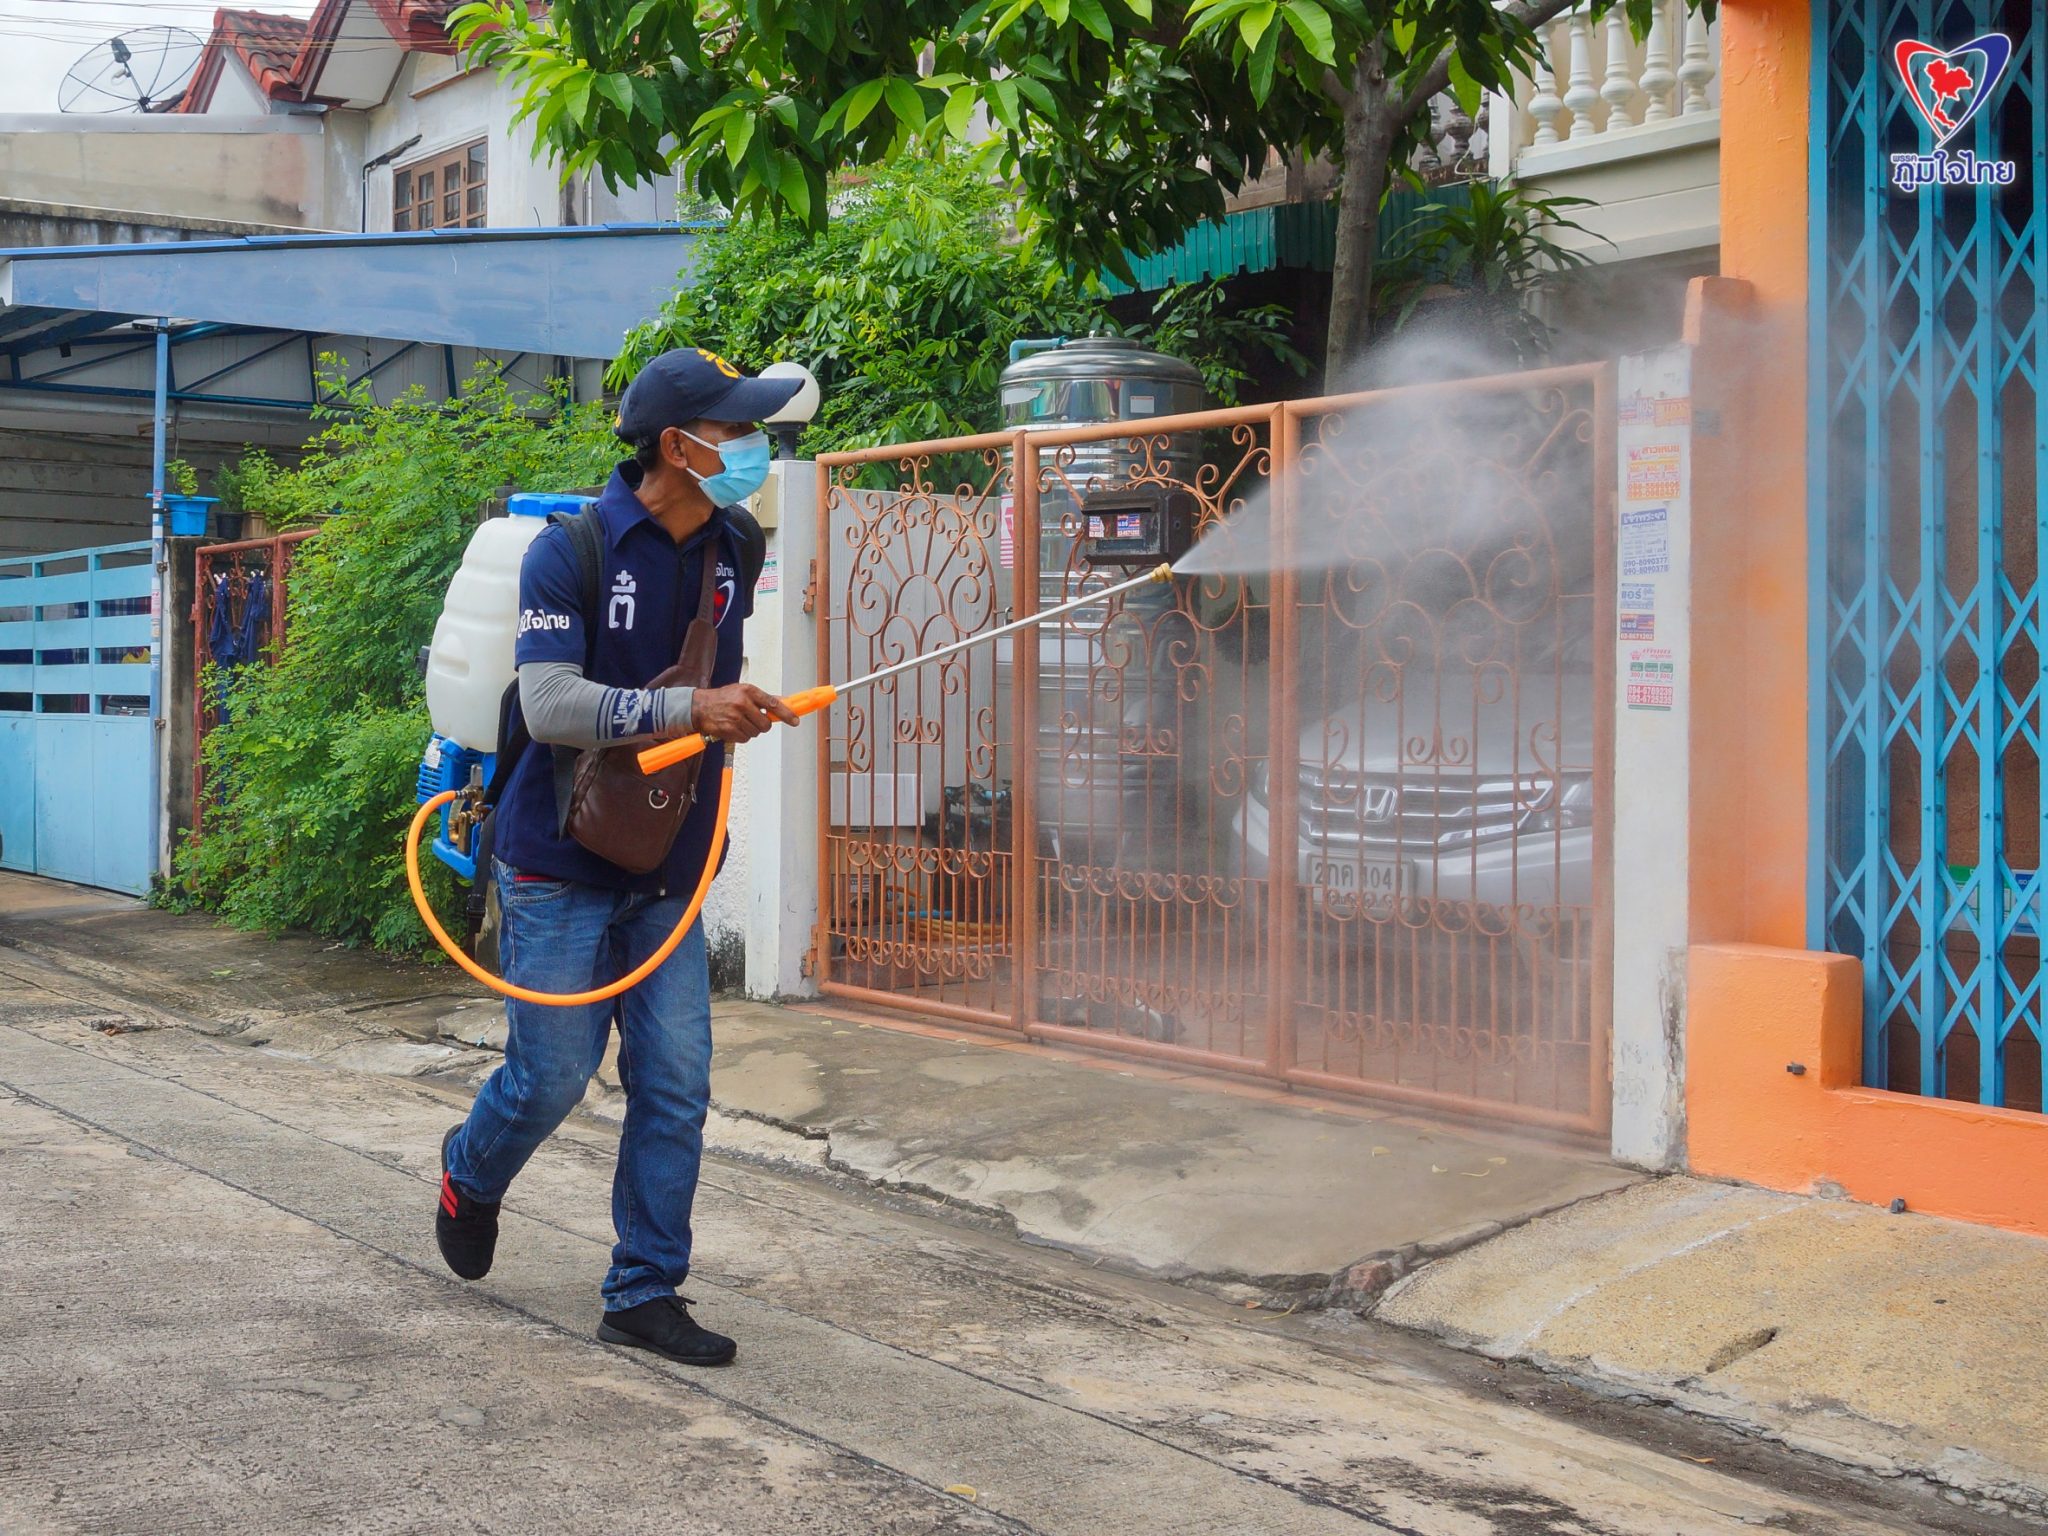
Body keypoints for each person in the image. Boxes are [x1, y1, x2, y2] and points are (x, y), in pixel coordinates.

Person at [433, 347, 799, 1367]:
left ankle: (643, 1289)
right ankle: (470, 1171)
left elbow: (714, 679)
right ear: (678, 445)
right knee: (551, 1074)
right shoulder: (574, 552)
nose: (750, 448)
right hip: (556, 855)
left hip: (669, 859)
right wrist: (690, 707)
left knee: (675, 1080)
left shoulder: (733, 546)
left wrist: (725, 714)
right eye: (733, 431)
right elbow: (548, 707)